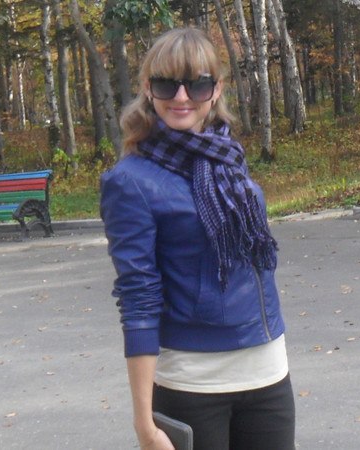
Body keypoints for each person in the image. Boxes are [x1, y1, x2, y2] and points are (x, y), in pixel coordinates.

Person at [100, 28, 295, 450]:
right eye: (167, 84)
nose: (182, 97)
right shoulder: (131, 181)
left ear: (217, 89)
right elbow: (138, 296)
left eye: (198, 84)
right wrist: (144, 423)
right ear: (148, 88)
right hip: (193, 382)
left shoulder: (226, 159)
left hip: (268, 369)